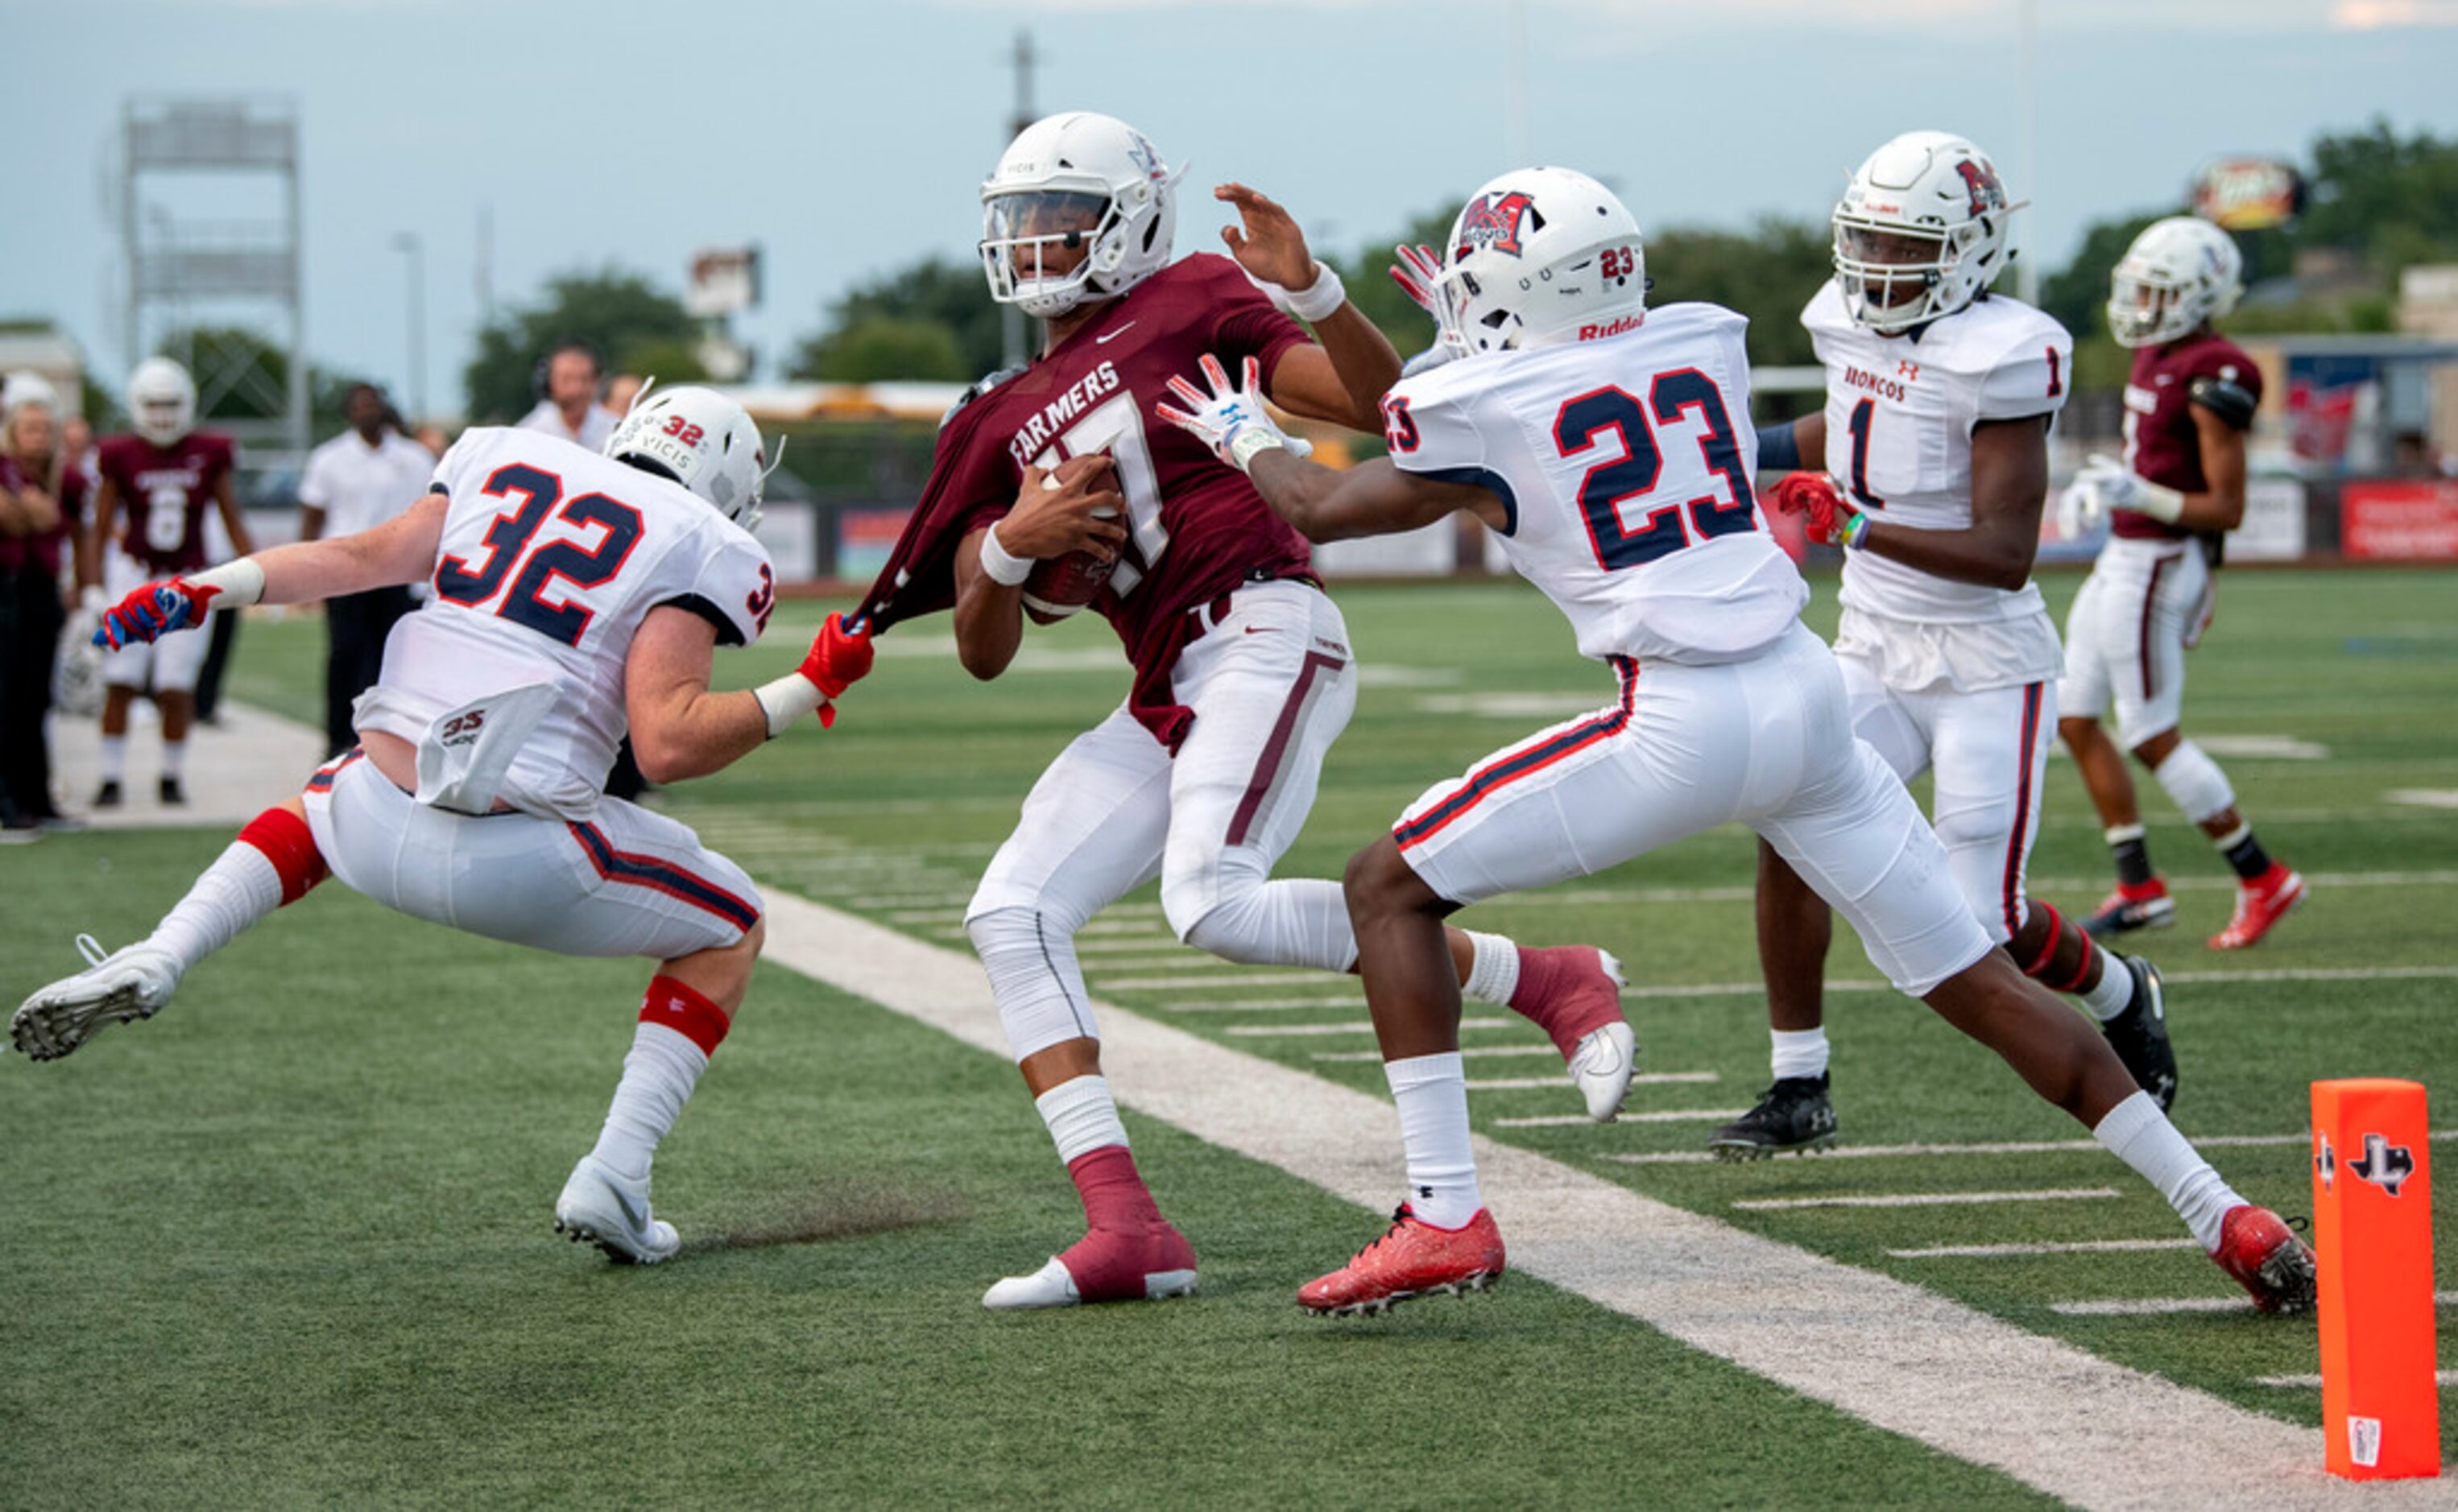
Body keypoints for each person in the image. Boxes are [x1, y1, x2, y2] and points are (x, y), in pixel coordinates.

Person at [1170, 165, 2314, 1320]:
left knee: (1386, 889)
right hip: (1811, 693)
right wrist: (1317, 293)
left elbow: (1323, 503)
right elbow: (1455, 394)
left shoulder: (1492, 405)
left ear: (1516, 296)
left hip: (1678, 716)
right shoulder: (1699, 345)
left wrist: (1241, 432)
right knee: (1977, 978)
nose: (1456, 310)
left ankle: (1445, 1211)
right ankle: (2225, 1212)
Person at [858, 112, 1632, 1312]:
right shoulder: (994, 418)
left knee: (1208, 900)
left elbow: (1391, 419)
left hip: (1266, 622)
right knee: (1011, 909)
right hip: (1169, 677)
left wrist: (1318, 289)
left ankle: (1540, 975)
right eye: (1020, 222)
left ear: (1126, 219)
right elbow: (980, 646)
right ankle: (1129, 1229)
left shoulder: (1191, 299)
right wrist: (1009, 550)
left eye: (1062, 219)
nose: (1037, 246)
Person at [11, 386, 872, 1264]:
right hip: (527, 853)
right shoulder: (701, 540)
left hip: (376, 824)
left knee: (326, 790)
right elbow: (667, 745)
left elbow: (357, 558)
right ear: (729, 484)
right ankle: (615, 1173)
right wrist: (810, 687)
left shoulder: (502, 455)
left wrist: (206, 589)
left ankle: (163, 950)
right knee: (731, 925)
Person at [1719, 132, 2173, 1160]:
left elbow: (2006, 551)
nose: (1877, 270)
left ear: (1969, 251)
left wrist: (1856, 529)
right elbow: (1844, 428)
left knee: (1982, 924)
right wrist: (1726, 450)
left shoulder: (2006, 353)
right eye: (1868, 244)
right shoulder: (1843, 323)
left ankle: (2118, 984)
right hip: (1873, 642)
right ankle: (1798, 1082)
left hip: (1981, 664)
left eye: (1903, 249)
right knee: (1787, 818)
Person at [2057, 217, 2304, 951]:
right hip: (2127, 554)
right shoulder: (2157, 354)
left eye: (2159, 292)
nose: (2142, 304)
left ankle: (2263, 877)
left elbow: (2225, 507)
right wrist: (2115, 491)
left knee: (2150, 731)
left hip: (2161, 559)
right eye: (2138, 289)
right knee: (2073, 715)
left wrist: (2142, 497)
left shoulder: (2217, 370)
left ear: (2202, 298)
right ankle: (2138, 887)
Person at [81, 358, 254, 808]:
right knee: (121, 680)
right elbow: (99, 528)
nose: (161, 414)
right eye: (153, 404)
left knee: (177, 685)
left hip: (189, 578)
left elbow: (231, 516)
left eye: (170, 404)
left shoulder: (209, 451)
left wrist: (263, 571)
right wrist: (93, 584)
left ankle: (171, 775)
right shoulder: (120, 454)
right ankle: (110, 776)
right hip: (133, 573)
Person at [300, 383, 441, 755]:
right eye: (359, 405)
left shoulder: (414, 458)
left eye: (372, 404)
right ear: (349, 412)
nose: (367, 411)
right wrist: (306, 576)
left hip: (398, 573)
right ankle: (335, 740)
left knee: (392, 659)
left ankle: (383, 743)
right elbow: (313, 519)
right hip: (345, 572)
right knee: (346, 653)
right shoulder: (329, 458)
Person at [0, 378, 89, 832]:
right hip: (8, 586)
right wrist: (28, 510)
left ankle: (37, 796)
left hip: (40, 589)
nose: (37, 437)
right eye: (27, 428)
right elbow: (15, 519)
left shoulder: (64, 478)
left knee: (35, 698)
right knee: (7, 697)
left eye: (43, 428)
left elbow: (52, 519)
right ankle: (9, 800)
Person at [519, 341, 619, 452]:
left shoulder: (616, 431)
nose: (577, 389)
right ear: (548, 383)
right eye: (566, 380)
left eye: (585, 379)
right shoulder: (529, 432)